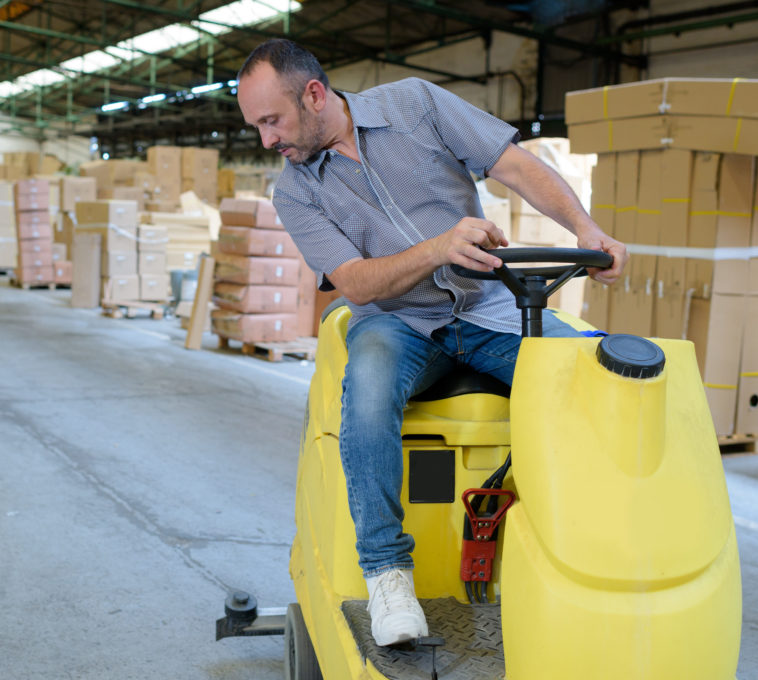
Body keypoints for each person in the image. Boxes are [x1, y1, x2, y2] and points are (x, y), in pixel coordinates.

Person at [237, 38, 627, 647]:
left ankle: (589, 554)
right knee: (365, 393)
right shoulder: (295, 190)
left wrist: (586, 230)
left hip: (488, 307)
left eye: (271, 120)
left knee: (591, 378)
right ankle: (388, 575)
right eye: (257, 126)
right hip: (395, 322)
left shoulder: (416, 105)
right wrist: (439, 246)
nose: (267, 139)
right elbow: (356, 283)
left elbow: (514, 165)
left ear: (313, 95)